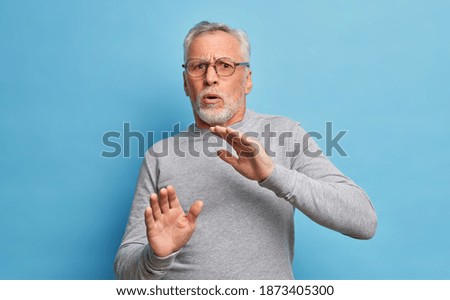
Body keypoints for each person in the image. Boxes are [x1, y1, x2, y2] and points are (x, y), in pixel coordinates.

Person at [114, 21, 377, 280]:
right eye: (198, 67)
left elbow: (363, 221)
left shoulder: (286, 135)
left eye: (225, 66)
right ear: (186, 83)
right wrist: (156, 257)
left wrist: (272, 174)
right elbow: (126, 268)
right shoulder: (160, 156)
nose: (210, 78)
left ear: (247, 80)